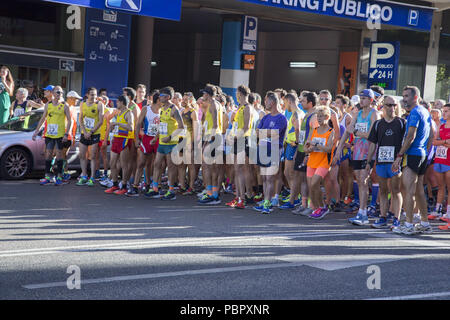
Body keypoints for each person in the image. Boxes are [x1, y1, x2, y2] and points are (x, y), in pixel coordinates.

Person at [391, 86, 433, 235]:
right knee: (419, 190)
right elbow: (432, 135)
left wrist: (399, 155)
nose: (404, 99)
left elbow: (410, 136)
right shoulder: (425, 111)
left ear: (415, 97)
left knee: (408, 190)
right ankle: (425, 222)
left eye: (407, 96)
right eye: (403, 96)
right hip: (421, 154)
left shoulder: (415, 112)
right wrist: (426, 152)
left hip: (413, 154)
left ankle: (409, 224)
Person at [335, 89, 380, 225]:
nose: (362, 100)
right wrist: (339, 149)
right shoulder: (358, 113)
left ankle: (364, 212)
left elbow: (371, 135)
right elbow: (347, 132)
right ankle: (361, 211)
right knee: (359, 180)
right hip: (358, 151)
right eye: (361, 98)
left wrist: (355, 131)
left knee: (364, 179)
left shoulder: (374, 114)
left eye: (365, 98)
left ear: (371, 100)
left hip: (369, 150)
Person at [366, 96, 406, 229]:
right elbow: (372, 144)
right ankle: (383, 217)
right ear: (383, 106)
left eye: (394, 105)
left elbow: (406, 142)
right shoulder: (378, 124)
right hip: (381, 161)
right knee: (383, 190)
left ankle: (396, 218)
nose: (391, 108)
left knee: (395, 190)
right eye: (388, 105)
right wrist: (369, 162)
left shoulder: (401, 122)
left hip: (395, 162)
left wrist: (400, 158)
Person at [145, 86, 185, 200]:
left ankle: (171, 191)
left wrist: (170, 137)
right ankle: (155, 188)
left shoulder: (174, 109)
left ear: (168, 97)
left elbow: (181, 127)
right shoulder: (162, 109)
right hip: (162, 142)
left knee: (171, 167)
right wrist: (155, 137)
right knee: (157, 164)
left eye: (162, 95)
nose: (159, 97)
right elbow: (160, 125)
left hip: (171, 143)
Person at [253, 91, 287, 214]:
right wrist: (265, 132)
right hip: (262, 148)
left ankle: (268, 203)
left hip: (273, 150)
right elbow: (257, 131)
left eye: (266, 101)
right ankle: (266, 201)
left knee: (270, 178)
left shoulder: (281, 118)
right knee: (264, 178)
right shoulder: (266, 117)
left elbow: (274, 134)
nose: (265, 103)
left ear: (272, 102)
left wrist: (264, 132)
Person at [32, 86, 71, 186]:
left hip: (60, 135)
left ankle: (59, 176)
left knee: (59, 155)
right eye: (58, 92)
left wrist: (66, 134)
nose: (60, 94)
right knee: (48, 154)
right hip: (49, 134)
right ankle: (47, 176)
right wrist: (36, 131)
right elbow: (43, 118)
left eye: (62, 92)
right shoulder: (48, 104)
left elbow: (70, 121)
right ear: (53, 93)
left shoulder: (64, 105)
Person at [127, 92, 161, 197]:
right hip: (147, 138)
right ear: (158, 100)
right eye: (162, 99)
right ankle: (135, 186)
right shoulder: (146, 109)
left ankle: (151, 185)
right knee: (141, 163)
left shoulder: (164, 111)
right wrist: (136, 138)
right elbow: (138, 124)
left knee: (156, 164)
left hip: (159, 139)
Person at [303, 106, 335, 219]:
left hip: (324, 162)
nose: (319, 119)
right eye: (318, 116)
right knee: (311, 187)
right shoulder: (314, 130)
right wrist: (309, 149)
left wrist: (316, 145)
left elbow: (329, 149)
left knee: (314, 183)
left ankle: (322, 207)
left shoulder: (331, 132)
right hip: (312, 160)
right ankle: (317, 208)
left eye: (321, 116)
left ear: (327, 117)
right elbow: (305, 147)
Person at [225, 85, 253, 209]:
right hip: (236, 139)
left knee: (240, 169)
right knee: (236, 169)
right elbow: (236, 125)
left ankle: (242, 198)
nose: (236, 95)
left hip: (243, 139)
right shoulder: (239, 108)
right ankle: (238, 197)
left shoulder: (247, 108)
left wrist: (236, 136)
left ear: (240, 94)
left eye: (237, 93)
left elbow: (246, 127)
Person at [292, 91, 318, 216]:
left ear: (310, 102)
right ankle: (303, 204)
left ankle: (312, 205)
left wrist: (308, 154)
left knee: (310, 180)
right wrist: (298, 150)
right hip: (302, 150)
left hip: (309, 152)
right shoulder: (307, 114)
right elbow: (302, 136)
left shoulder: (315, 115)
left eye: (303, 100)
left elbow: (313, 135)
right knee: (302, 178)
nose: (301, 102)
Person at [105, 95, 134, 195]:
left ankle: (125, 186)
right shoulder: (118, 113)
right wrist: (113, 127)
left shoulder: (128, 112)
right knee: (112, 163)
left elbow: (131, 127)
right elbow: (116, 125)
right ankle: (115, 184)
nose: (116, 104)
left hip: (124, 140)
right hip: (116, 139)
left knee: (124, 164)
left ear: (122, 102)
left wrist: (117, 124)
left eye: (117, 102)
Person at [198, 84, 222, 205]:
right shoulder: (215, 104)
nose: (202, 95)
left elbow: (215, 125)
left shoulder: (213, 104)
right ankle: (214, 193)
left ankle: (211, 194)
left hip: (212, 137)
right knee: (211, 167)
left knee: (207, 167)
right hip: (214, 137)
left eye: (204, 93)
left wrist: (207, 141)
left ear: (207, 94)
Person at [280, 92, 304, 210]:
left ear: (289, 101)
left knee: (290, 173)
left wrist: (297, 147)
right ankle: (295, 196)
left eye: (285, 103)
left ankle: (293, 199)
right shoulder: (298, 113)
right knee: (289, 173)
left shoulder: (296, 114)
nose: (285, 106)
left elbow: (298, 129)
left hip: (293, 145)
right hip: (292, 145)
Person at [76, 87, 104, 186]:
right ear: (87, 95)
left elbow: (101, 121)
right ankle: (84, 176)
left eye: (95, 95)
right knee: (82, 155)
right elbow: (80, 119)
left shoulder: (99, 105)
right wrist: (84, 131)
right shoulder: (82, 104)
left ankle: (92, 177)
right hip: (85, 133)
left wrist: (91, 132)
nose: (94, 97)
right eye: (92, 94)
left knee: (92, 156)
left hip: (94, 133)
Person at [429, 103, 450, 230]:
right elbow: (434, 142)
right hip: (439, 159)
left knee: (449, 187)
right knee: (440, 186)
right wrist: (445, 142)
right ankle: (437, 209)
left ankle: (448, 212)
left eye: (447, 111)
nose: (444, 113)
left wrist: (441, 142)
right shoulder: (441, 126)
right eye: (444, 111)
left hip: (448, 160)